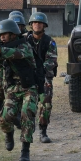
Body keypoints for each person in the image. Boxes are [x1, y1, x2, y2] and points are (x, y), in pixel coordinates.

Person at [0, 18, 38, 161]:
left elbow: (15, 54)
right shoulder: (3, 48)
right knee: (4, 118)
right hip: (12, 88)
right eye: (0, 35)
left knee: (27, 114)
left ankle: (25, 150)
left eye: (5, 34)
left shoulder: (25, 46)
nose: (2, 37)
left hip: (29, 87)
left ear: (14, 34)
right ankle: (9, 133)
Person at [27, 12, 58, 144]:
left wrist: (41, 72)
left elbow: (52, 60)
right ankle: (27, 130)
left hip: (44, 76)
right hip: (28, 77)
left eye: (39, 23)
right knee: (27, 104)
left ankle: (43, 131)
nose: (37, 25)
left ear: (44, 25)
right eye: (35, 23)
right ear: (31, 25)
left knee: (46, 103)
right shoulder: (25, 40)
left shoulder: (49, 41)